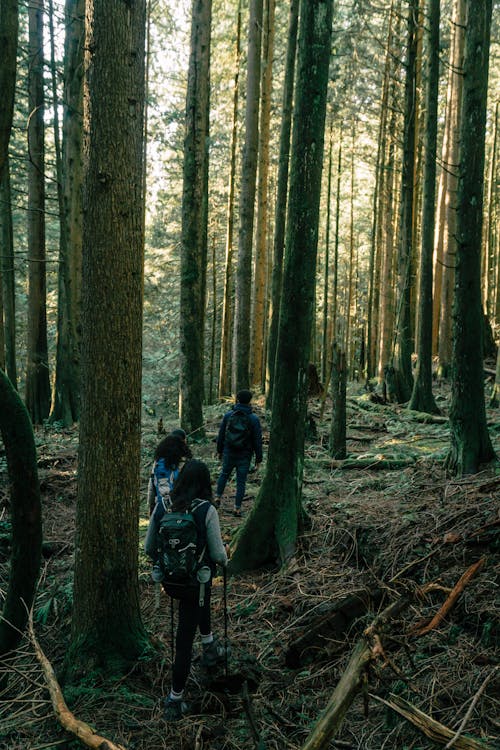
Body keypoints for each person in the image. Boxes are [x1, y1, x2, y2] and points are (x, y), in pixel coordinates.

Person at [144, 459, 228, 722]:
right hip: (195, 585)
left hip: (171, 582)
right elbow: (217, 554)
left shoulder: (162, 505)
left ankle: (209, 646)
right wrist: (224, 561)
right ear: (205, 483)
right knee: (183, 641)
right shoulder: (206, 510)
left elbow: (148, 548)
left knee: (200, 600)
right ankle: (174, 699)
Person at [215, 389, 263, 516]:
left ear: (237, 400)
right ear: (250, 401)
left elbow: (221, 435)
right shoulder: (253, 419)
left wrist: (219, 451)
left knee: (224, 474)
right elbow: (257, 440)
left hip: (229, 451)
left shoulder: (228, 415)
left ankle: (217, 498)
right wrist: (259, 459)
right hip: (245, 454)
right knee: (241, 481)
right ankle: (237, 508)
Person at [147, 431, 192, 515]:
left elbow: (151, 486)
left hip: (160, 506)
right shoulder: (184, 462)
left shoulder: (158, 462)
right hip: (181, 507)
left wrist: (151, 506)